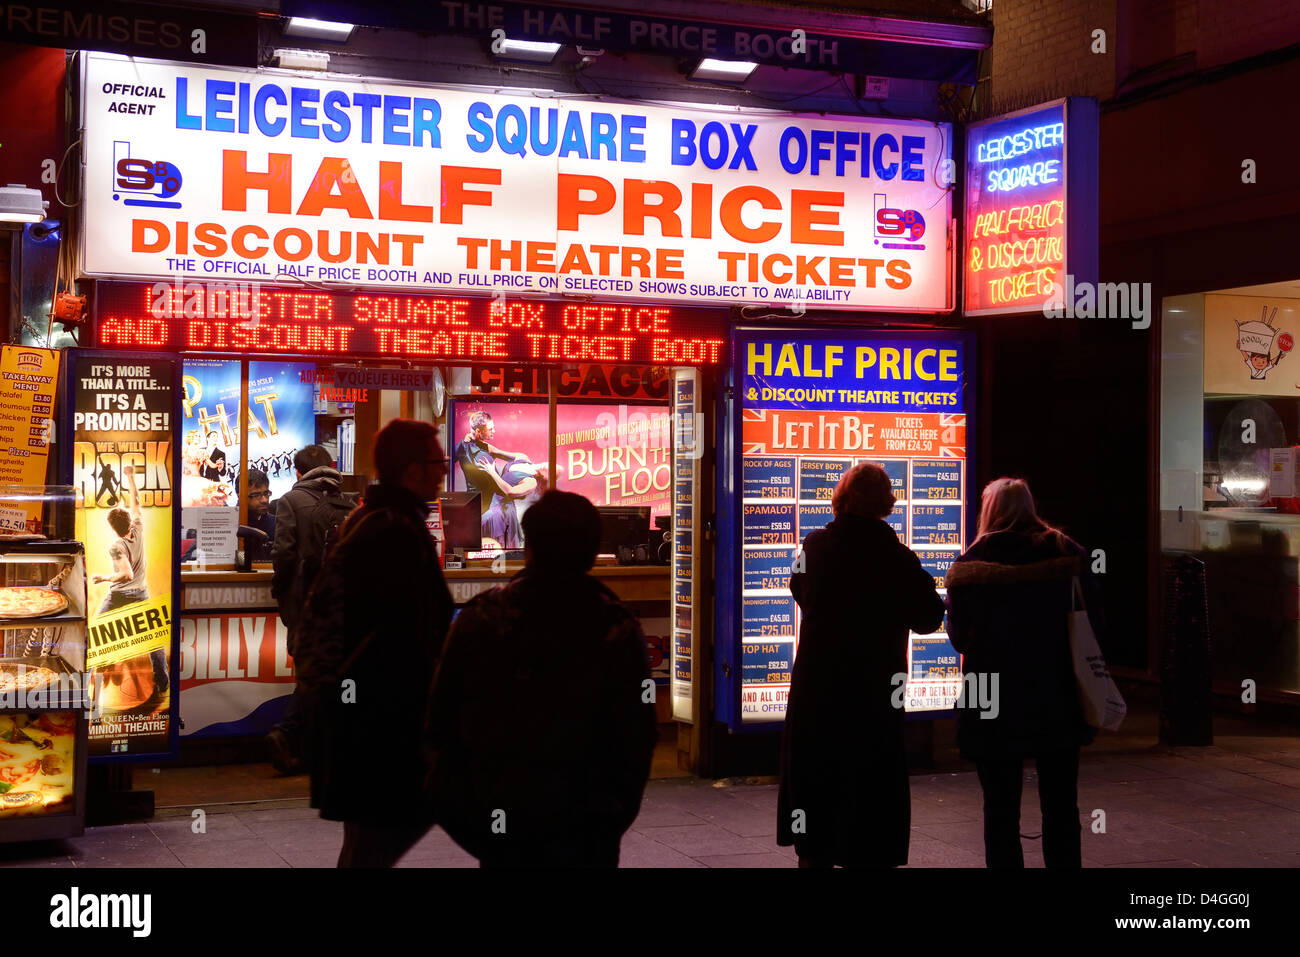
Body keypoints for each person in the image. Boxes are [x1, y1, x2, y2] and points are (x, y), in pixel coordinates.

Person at [427, 490, 657, 868]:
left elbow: (440, 725)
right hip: (586, 828)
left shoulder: (483, 618)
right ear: (591, 549)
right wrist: (611, 815)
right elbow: (637, 734)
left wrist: (474, 822)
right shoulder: (615, 628)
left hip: (503, 821)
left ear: (528, 544)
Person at [294, 419, 453, 867]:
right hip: (380, 724)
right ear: (411, 470)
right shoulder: (394, 532)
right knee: (383, 833)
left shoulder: (372, 519)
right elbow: (406, 637)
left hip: (362, 719)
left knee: (369, 840)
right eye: (436, 462)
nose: (443, 471)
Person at [776, 463, 945, 868]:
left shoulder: (815, 547)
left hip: (818, 689)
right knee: (870, 794)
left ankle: (815, 852)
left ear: (842, 499)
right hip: (874, 693)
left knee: (816, 787)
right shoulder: (897, 557)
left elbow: (799, 589)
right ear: (885, 504)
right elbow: (928, 617)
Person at [945, 477, 1101, 869]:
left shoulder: (970, 562)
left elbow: (960, 638)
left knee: (999, 806)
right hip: (1057, 690)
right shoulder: (1068, 553)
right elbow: (1094, 619)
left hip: (992, 693)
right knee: (1062, 803)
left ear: (989, 510)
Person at [267, 445, 352, 774]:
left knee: (311, 672)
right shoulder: (350, 503)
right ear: (332, 467)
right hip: (342, 605)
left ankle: (288, 736)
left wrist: (280, 591)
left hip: (304, 603)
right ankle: (312, 749)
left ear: (298, 473)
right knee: (330, 673)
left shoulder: (290, 502)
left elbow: (284, 554)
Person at [89, 465, 168, 714]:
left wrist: (103, 577)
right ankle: (163, 681)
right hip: (140, 594)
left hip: (120, 595)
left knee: (96, 638)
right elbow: (135, 500)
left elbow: (126, 574)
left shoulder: (116, 545)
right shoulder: (138, 528)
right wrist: (131, 478)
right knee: (153, 639)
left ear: (113, 527)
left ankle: (87, 688)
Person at [453, 410, 535, 549]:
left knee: (500, 550)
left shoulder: (485, 447)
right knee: (489, 550)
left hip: (497, 507)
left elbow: (519, 457)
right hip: (483, 509)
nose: (494, 431)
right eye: (490, 429)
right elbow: (446, 461)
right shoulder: (462, 447)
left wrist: (525, 466)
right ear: (479, 432)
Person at [244, 468, 275, 563]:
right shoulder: (231, 524)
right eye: (256, 495)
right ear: (240, 496)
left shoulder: (277, 524)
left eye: (266, 494)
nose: (264, 500)